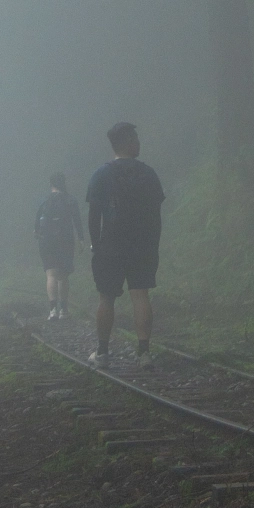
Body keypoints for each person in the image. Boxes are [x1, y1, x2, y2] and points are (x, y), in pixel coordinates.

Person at [85, 121, 166, 367]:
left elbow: (93, 216)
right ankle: (144, 353)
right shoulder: (148, 173)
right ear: (128, 142)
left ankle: (102, 353)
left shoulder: (101, 174)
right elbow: (156, 215)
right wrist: (153, 243)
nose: (139, 142)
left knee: (106, 297)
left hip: (110, 245)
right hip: (142, 245)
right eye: (136, 139)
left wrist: (96, 245)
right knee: (140, 295)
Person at [35, 172, 84, 322]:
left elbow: (36, 224)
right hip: (65, 241)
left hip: (46, 242)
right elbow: (77, 221)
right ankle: (64, 310)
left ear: (51, 184)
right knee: (63, 276)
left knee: (51, 275)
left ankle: (52, 311)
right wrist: (81, 239)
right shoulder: (70, 200)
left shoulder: (43, 200)